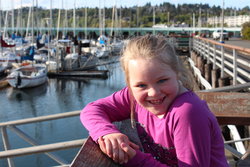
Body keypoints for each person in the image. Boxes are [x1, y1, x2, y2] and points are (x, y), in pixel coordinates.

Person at [80, 35, 229, 167]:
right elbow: (92, 110)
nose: (153, 93)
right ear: (129, 83)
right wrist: (106, 133)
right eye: (141, 85)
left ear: (176, 73)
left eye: (162, 80)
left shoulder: (187, 113)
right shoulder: (132, 96)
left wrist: (135, 158)